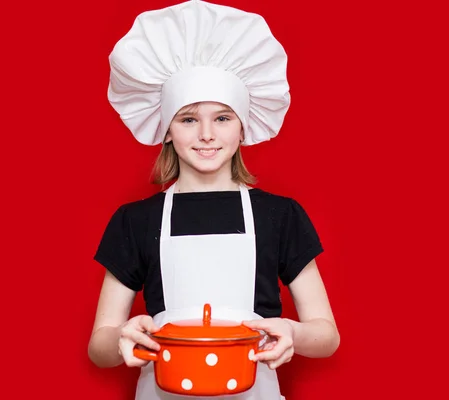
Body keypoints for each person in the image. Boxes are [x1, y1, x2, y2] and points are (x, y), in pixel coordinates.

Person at [88, 1, 340, 398]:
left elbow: (327, 335)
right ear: (166, 129)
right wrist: (121, 335)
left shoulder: (280, 216)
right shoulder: (135, 221)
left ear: (244, 126)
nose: (206, 134)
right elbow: (99, 347)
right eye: (189, 118)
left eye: (222, 118)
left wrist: (293, 331)